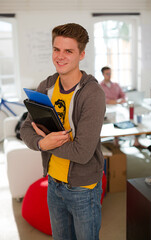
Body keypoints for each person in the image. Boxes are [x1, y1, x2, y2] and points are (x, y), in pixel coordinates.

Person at [20, 23, 106, 240]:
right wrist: (41, 144)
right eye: (56, 49)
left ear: (82, 54)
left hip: (83, 190)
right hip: (53, 184)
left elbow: (82, 153)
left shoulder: (92, 94)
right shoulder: (47, 86)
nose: (60, 56)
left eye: (68, 51)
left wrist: (48, 142)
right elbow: (25, 128)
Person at [100, 66, 146, 148]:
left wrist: (123, 100)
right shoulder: (100, 86)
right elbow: (102, 99)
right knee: (116, 119)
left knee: (132, 116)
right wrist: (115, 101)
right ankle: (116, 141)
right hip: (108, 108)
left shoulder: (116, 85)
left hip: (118, 107)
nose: (109, 75)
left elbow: (123, 95)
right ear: (103, 74)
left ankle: (136, 141)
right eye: (107, 73)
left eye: (110, 73)